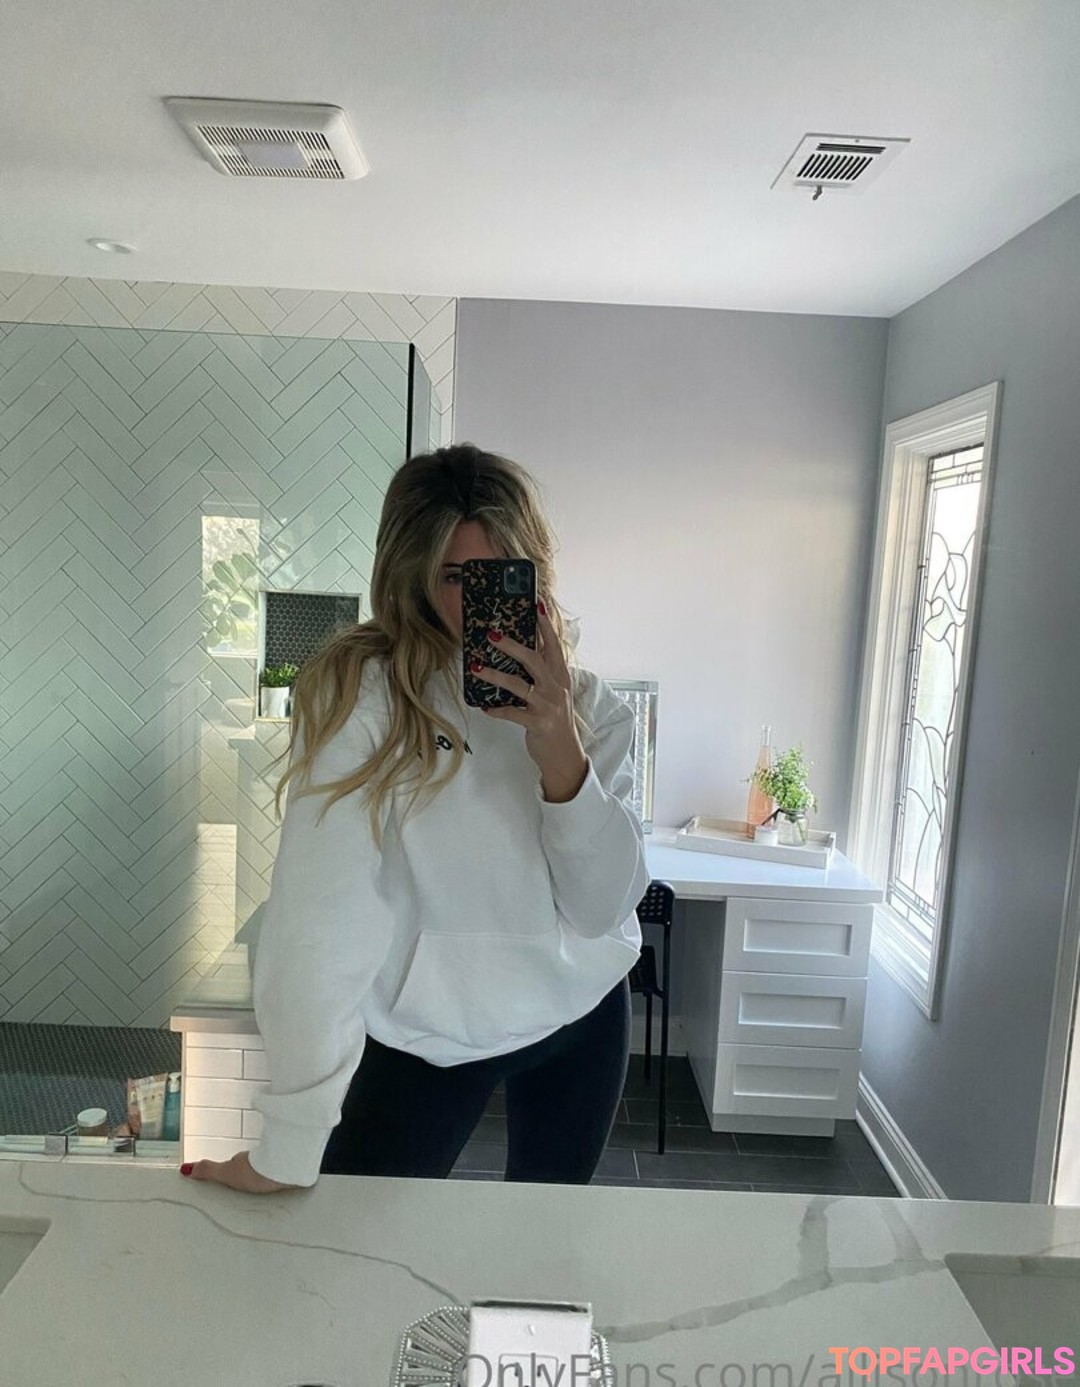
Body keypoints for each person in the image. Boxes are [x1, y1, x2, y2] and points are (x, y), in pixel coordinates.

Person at [184, 443, 649, 1194]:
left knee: (545, 1244)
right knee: (354, 1237)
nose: (477, 601)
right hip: (424, 1031)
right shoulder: (363, 697)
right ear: (412, 575)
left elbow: (601, 911)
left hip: (581, 1014)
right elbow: (320, 919)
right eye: (455, 576)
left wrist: (562, 754)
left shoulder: (595, 711)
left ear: (535, 572)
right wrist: (290, 1142)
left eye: (503, 573)